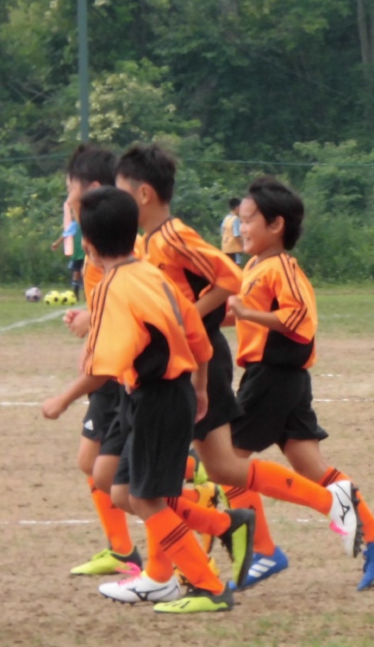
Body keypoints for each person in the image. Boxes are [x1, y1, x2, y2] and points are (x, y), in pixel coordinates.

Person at [113, 145, 363, 564]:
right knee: (222, 468)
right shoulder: (148, 242)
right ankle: (308, 507)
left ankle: (178, 568)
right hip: (188, 361)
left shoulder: (173, 236)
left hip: (200, 362)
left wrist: (185, 320)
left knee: (174, 474)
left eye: (121, 192)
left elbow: (227, 277)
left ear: (143, 194)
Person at [41, 186, 253, 614]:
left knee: (144, 499)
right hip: (162, 394)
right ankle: (223, 525)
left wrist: (62, 399)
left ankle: (209, 587)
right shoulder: (151, 274)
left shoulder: (112, 288)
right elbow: (196, 331)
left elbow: (104, 368)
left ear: (89, 244)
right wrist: (199, 385)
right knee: (123, 492)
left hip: (157, 397)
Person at [226, 176, 374, 591]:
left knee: (227, 462)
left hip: (272, 376)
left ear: (276, 225)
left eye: (248, 220)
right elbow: (241, 312)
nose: (240, 228)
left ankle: (263, 551)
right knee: (310, 467)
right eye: (239, 220)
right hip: (281, 379)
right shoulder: (254, 266)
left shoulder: (283, 268)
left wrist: (248, 315)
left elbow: (299, 320)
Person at [57, 144, 143, 578]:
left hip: (119, 368)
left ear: (90, 188)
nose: (67, 196)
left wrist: (93, 322)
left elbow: (131, 293)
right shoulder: (98, 240)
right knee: (92, 463)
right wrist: (89, 326)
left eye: (69, 187)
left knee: (107, 468)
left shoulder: (119, 241)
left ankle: (193, 477)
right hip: (108, 361)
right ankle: (122, 550)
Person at [220, 197, 243, 266]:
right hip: (234, 249)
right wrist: (243, 246)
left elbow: (222, 232)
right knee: (236, 268)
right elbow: (237, 235)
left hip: (225, 248)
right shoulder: (236, 219)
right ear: (237, 207)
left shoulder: (226, 218)